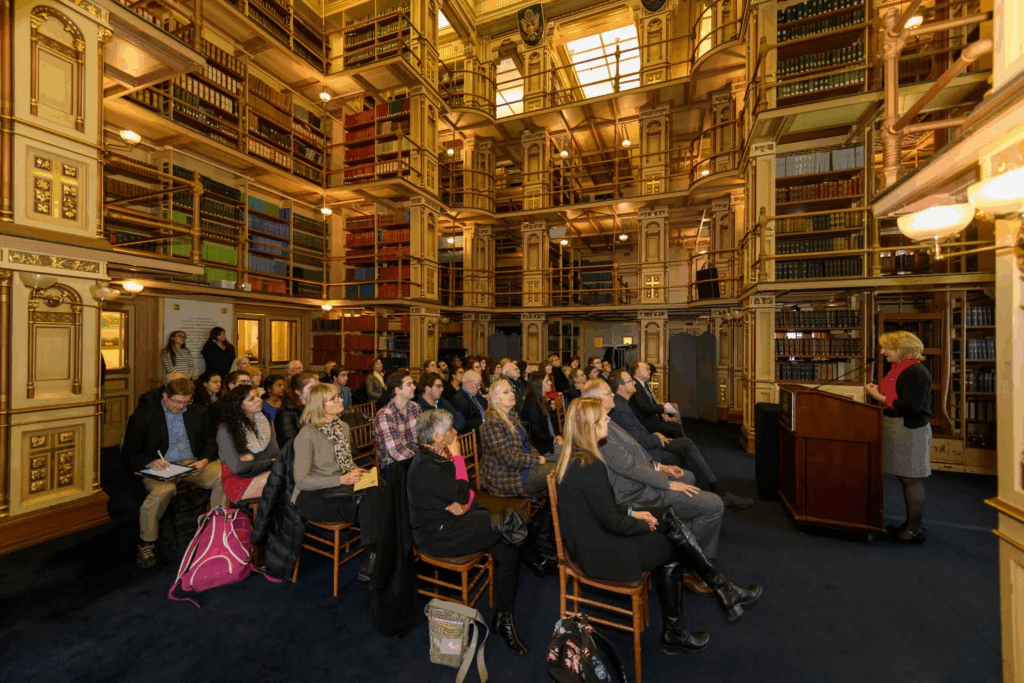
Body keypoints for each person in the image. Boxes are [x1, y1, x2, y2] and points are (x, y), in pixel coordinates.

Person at [555, 398, 762, 655]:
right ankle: (695, 611)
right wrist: (645, 523)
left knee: (667, 519)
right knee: (669, 542)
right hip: (597, 552)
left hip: (592, 537)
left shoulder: (577, 457)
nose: (608, 419)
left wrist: (636, 513)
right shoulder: (591, 465)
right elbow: (614, 522)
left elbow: (604, 509)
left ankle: (718, 590)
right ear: (590, 427)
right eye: (602, 419)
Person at [583, 379, 724, 593]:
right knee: (714, 505)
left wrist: (662, 467)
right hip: (634, 495)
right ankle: (695, 568)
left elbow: (635, 455)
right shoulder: (601, 430)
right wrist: (667, 484)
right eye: (608, 393)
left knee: (687, 477)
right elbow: (630, 468)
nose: (613, 395)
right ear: (595, 400)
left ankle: (685, 541)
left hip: (637, 484)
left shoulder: (608, 420)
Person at [407, 409, 529, 654]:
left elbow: (469, 490)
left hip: (454, 523)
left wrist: (463, 501)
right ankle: (524, 537)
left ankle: (504, 618)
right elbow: (464, 490)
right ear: (439, 435)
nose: (455, 432)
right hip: (438, 536)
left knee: (507, 549)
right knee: (503, 527)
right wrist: (459, 460)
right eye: (451, 429)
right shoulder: (427, 467)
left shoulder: (436, 456)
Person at [607, 369, 752, 509]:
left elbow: (637, 430)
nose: (633, 383)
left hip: (650, 443)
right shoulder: (619, 407)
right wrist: (656, 438)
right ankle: (711, 494)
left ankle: (711, 492)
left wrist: (655, 435)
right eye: (630, 381)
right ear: (621, 387)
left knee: (687, 446)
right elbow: (636, 440)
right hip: (647, 451)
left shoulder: (623, 403)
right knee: (685, 452)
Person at [122, 377, 226, 569]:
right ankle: (147, 543)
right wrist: (151, 462)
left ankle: (216, 530)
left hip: (191, 463)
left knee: (223, 476)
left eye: (186, 402)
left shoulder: (198, 411)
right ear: (165, 395)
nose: (181, 406)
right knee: (163, 492)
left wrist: (204, 459)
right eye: (177, 402)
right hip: (162, 465)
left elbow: (210, 441)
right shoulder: (144, 416)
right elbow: (129, 453)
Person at [292, 383, 379, 557]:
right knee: (372, 502)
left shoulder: (342, 427)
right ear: (319, 406)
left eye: (339, 396)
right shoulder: (307, 434)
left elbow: (344, 462)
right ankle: (374, 555)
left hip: (339, 489)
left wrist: (358, 471)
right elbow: (301, 480)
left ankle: (376, 553)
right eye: (334, 398)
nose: (341, 400)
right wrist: (342, 479)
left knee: (383, 490)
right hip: (313, 496)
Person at [865, 330, 933, 544]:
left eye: (888, 348)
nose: (883, 352)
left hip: (910, 429)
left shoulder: (915, 371)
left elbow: (911, 407)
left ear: (902, 349)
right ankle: (911, 525)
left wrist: (878, 397)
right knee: (905, 477)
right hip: (899, 427)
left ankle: (914, 530)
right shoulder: (900, 369)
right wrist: (880, 394)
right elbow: (897, 397)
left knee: (911, 478)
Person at [479, 379, 554, 498]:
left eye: (512, 391)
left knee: (560, 471)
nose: (512, 394)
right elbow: (507, 458)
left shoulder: (511, 416)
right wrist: (536, 460)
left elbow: (526, 444)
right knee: (560, 472)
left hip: (522, 466)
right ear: (495, 400)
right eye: (506, 392)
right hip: (508, 475)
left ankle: (552, 509)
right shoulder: (492, 424)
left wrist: (537, 457)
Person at [217, 385, 278, 503]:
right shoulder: (226, 429)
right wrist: (270, 461)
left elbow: (275, 452)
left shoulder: (262, 422)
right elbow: (237, 467)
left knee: (287, 477)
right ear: (239, 405)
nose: (259, 400)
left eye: (258, 396)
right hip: (236, 480)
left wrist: (253, 457)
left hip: (261, 471)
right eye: (251, 399)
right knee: (285, 480)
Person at [372, 371, 421, 468]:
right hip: (393, 464)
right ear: (397, 390)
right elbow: (395, 451)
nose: (414, 387)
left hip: (415, 458)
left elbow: (423, 436)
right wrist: (421, 463)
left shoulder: (415, 407)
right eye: (409, 385)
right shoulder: (385, 415)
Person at [630, 361, 683, 439]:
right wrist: (662, 408)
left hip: (652, 418)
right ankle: (681, 447)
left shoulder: (643, 384)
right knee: (675, 429)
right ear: (637, 371)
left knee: (676, 425)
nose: (650, 371)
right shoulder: (635, 385)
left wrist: (661, 412)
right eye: (647, 369)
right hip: (646, 422)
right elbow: (644, 407)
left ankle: (682, 445)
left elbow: (652, 402)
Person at [520, 371, 562, 457]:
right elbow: (536, 431)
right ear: (538, 383)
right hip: (542, 448)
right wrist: (554, 440)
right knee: (573, 453)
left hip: (547, 443)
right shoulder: (532, 403)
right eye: (547, 381)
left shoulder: (540, 400)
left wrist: (556, 437)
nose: (550, 383)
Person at [275, 372, 319, 447]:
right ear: (298, 391)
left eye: (316, 387)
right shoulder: (286, 413)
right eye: (311, 388)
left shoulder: (313, 406)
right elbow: (291, 444)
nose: (316, 391)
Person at [451, 370, 488, 434]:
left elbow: (486, 408)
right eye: (477, 385)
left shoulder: (477, 395)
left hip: (487, 428)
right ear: (468, 383)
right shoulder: (458, 399)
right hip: (475, 434)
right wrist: (483, 421)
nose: (479, 387)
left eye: (480, 385)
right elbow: (464, 424)